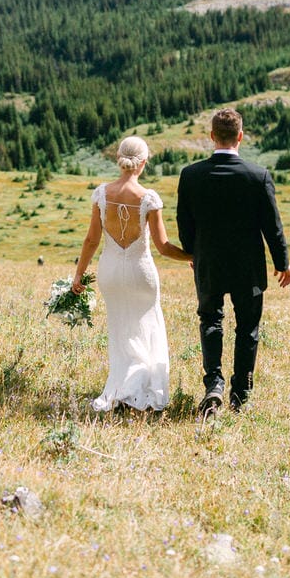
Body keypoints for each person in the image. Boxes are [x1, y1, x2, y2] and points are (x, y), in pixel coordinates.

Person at [176, 107, 290, 417]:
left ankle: (213, 383)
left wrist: (193, 253)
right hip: (248, 267)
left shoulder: (190, 175)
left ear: (212, 137)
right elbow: (273, 226)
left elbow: (184, 224)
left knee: (210, 320)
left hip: (209, 263)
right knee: (248, 328)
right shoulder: (258, 176)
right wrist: (282, 262)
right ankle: (240, 394)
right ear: (240, 136)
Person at [73, 135, 192, 412]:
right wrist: (192, 256)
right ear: (144, 163)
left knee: (120, 329)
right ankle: (143, 392)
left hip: (110, 272)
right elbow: (163, 246)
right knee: (147, 327)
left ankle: (123, 388)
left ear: (119, 160)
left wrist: (78, 274)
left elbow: (91, 240)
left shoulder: (102, 194)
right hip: (141, 272)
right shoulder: (148, 198)